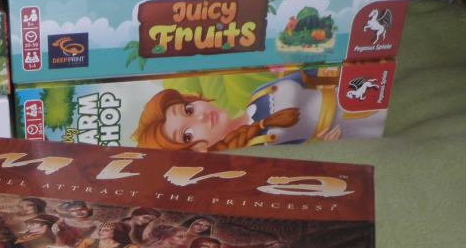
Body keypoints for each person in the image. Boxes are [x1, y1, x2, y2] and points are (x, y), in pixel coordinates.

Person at [132, 68, 385, 152]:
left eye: (188, 110)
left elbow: (310, 76)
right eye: (187, 135)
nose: (200, 117)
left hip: (362, 89)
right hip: (361, 129)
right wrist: (320, 146)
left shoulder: (257, 96)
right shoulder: (258, 148)